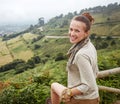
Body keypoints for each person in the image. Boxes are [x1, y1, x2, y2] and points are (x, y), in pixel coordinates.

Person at [50, 12, 99, 104]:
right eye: (71, 29)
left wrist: (68, 93)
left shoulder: (81, 55)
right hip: (93, 98)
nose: (72, 33)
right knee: (54, 86)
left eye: (77, 31)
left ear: (86, 33)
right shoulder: (89, 45)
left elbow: (88, 85)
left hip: (81, 100)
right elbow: (95, 72)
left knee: (53, 86)